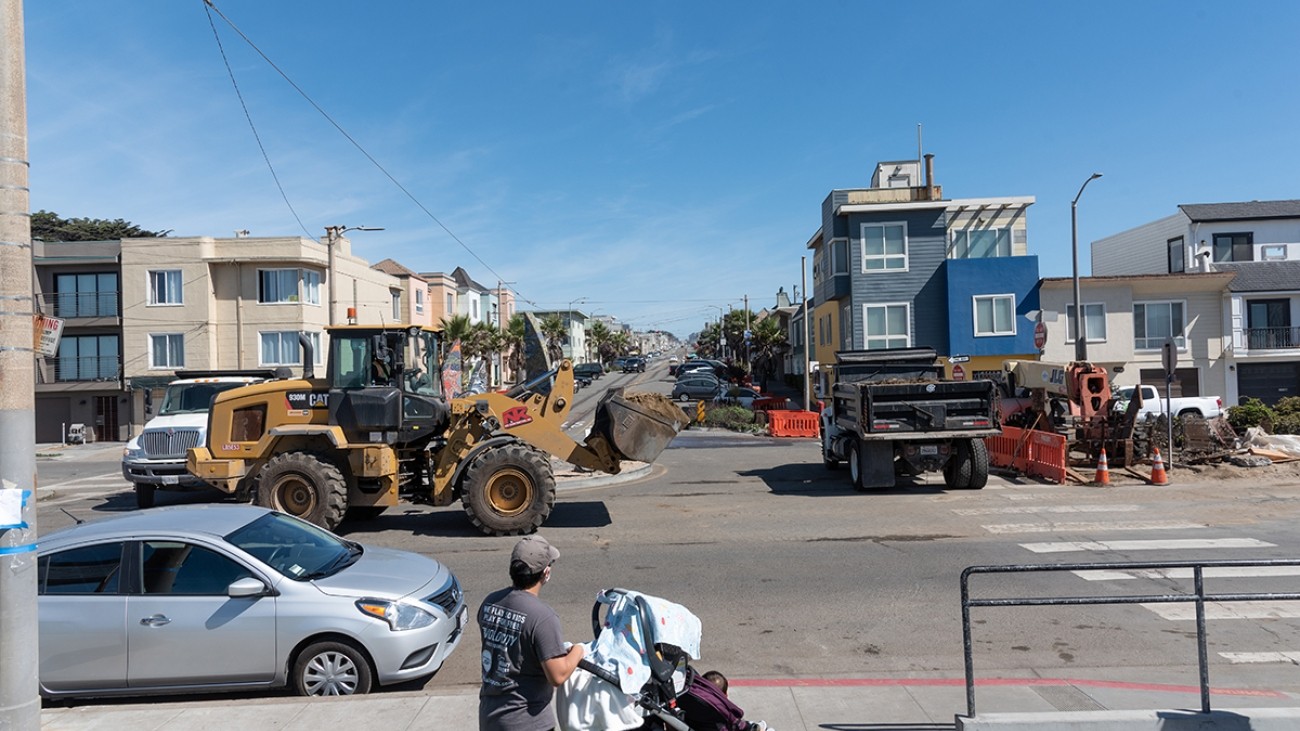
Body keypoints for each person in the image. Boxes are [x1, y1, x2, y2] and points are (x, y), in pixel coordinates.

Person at [478, 535, 586, 731]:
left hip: (490, 718)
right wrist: (578, 651)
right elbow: (558, 676)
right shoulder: (542, 617)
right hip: (527, 722)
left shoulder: (489, 602)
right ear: (545, 572)